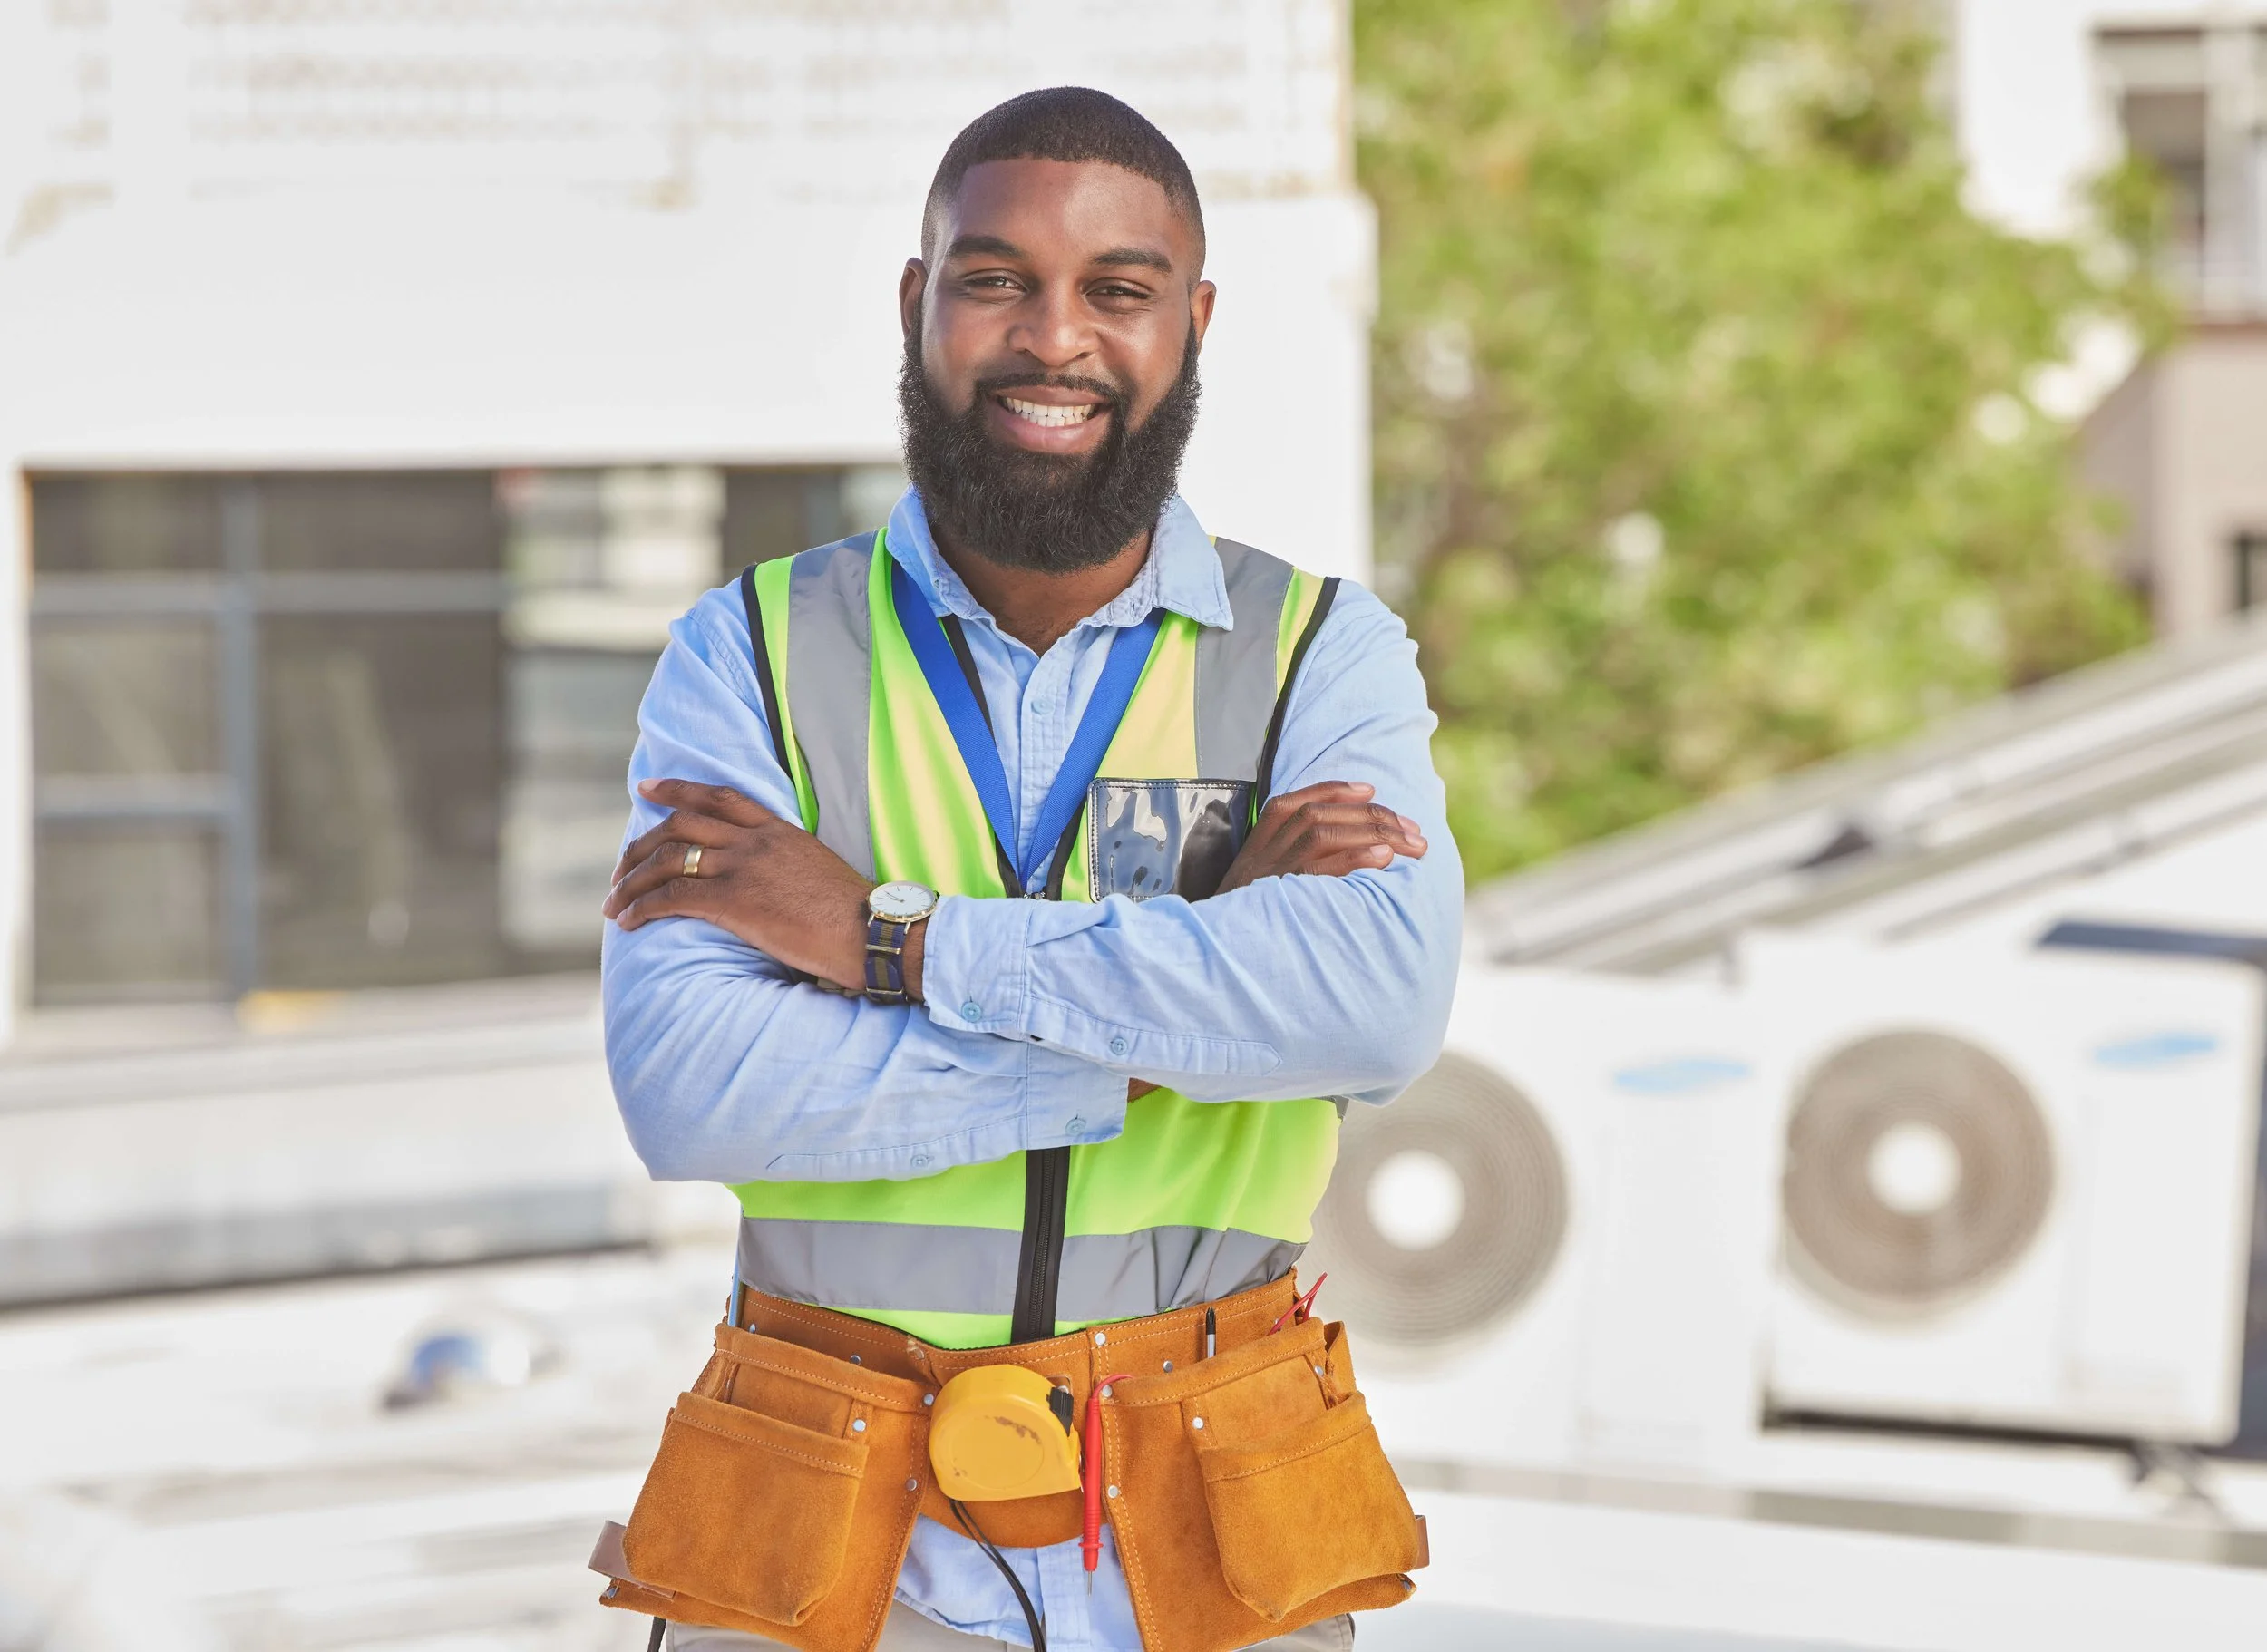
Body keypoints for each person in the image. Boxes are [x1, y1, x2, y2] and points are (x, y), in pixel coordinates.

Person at [599, 87, 1461, 1652]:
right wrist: (1175, 1020)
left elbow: (1378, 1009)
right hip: (829, 1543)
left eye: (1116, 291)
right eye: (995, 278)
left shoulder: (1325, 653)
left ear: (1191, 322)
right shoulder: (751, 653)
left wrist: (885, 942)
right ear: (920, 303)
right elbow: (690, 1084)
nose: (1052, 339)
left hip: (1214, 1530)